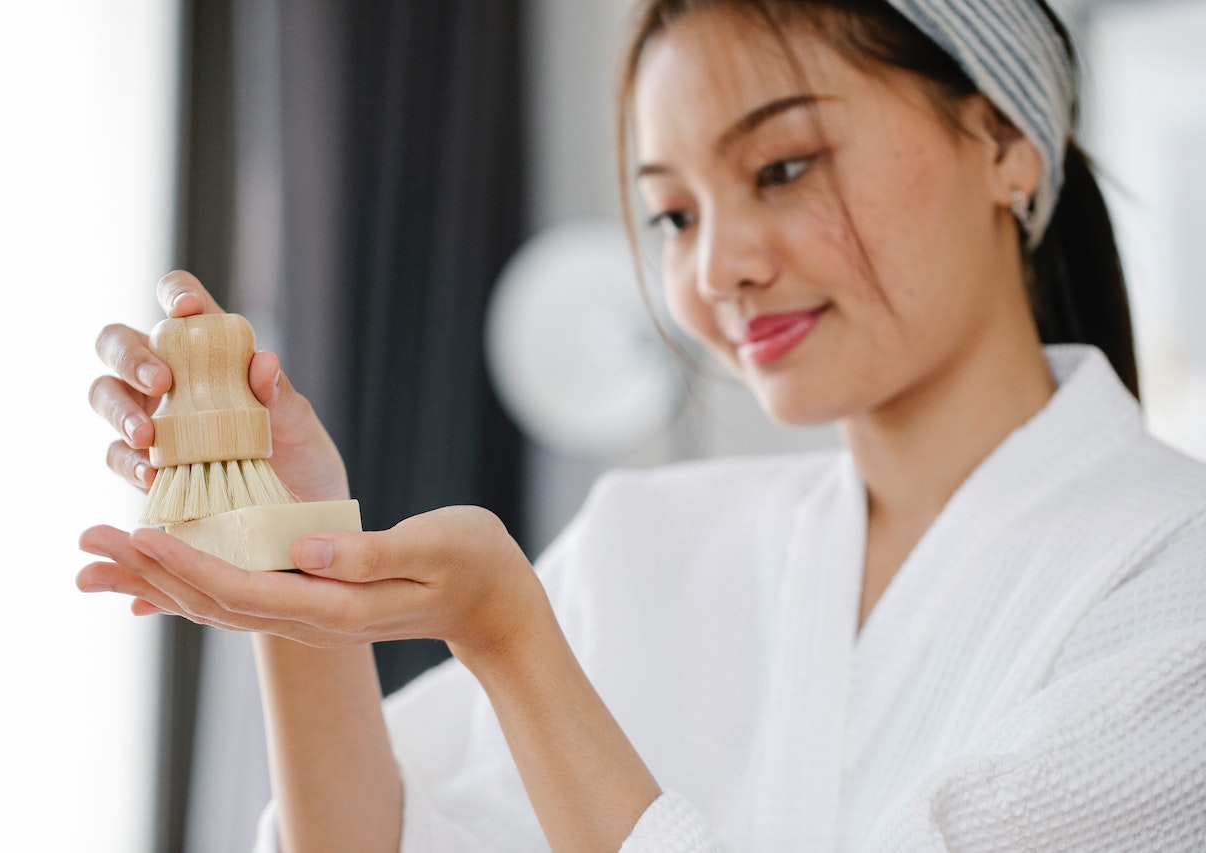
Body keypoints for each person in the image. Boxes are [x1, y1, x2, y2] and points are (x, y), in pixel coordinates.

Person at [79, 0, 1206, 849]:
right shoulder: (644, 544)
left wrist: (513, 646)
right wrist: (285, 530)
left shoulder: (1174, 582)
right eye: (672, 213)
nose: (716, 266)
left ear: (1003, 138)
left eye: (783, 165)